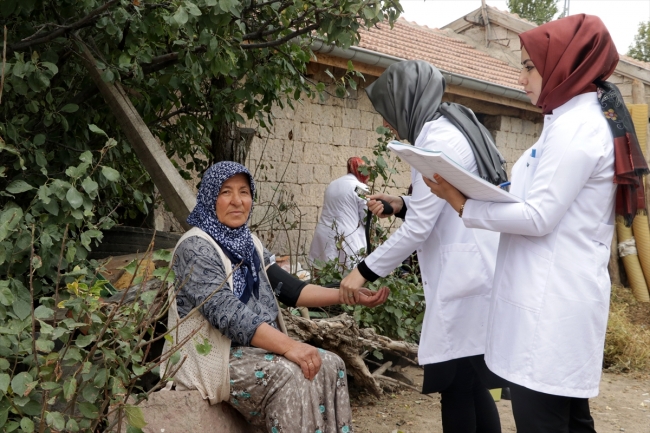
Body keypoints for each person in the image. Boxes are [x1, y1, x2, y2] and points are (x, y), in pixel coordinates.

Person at [424, 15, 648, 432]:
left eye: (529, 66)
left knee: (543, 421)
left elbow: (538, 215)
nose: (521, 76)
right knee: (569, 422)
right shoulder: (564, 122)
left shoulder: (577, 129)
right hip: (551, 302)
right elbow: (536, 198)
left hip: (551, 309)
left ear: (565, 66)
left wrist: (462, 204)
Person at [339, 60, 507, 433]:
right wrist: (400, 202)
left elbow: (419, 229)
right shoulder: (452, 127)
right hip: (475, 269)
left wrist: (362, 271)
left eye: (388, 112)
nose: (386, 123)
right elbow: (440, 204)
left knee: (457, 386)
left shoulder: (436, 142)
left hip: (463, 276)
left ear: (406, 101)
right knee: (470, 382)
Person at [162, 161, 389, 433]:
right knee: (290, 373)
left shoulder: (249, 243)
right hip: (212, 356)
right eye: (226, 192)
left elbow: (291, 290)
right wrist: (289, 346)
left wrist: (347, 295)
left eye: (244, 192)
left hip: (253, 349)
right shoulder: (196, 246)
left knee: (330, 364)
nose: (237, 201)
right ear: (210, 197)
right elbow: (229, 314)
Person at [309, 157, 369, 268]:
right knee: (346, 276)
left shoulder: (332, 184)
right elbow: (367, 217)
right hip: (346, 238)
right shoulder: (359, 187)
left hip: (323, 233)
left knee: (322, 272)